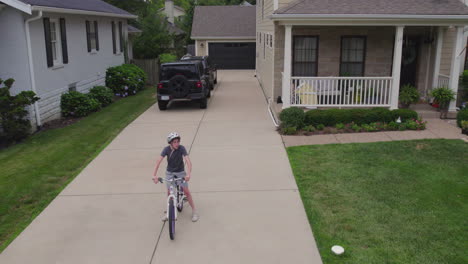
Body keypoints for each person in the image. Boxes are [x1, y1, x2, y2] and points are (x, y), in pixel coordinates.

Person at [152, 132, 199, 222]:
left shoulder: (181, 148)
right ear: (170, 143)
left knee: (186, 191)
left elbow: (188, 162)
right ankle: (168, 212)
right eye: (175, 142)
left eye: (178, 141)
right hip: (169, 173)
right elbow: (158, 162)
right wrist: (154, 175)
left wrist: (188, 174)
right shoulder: (166, 150)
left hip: (180, 172)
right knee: (169, 192)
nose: (177, 144)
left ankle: (194, 211)